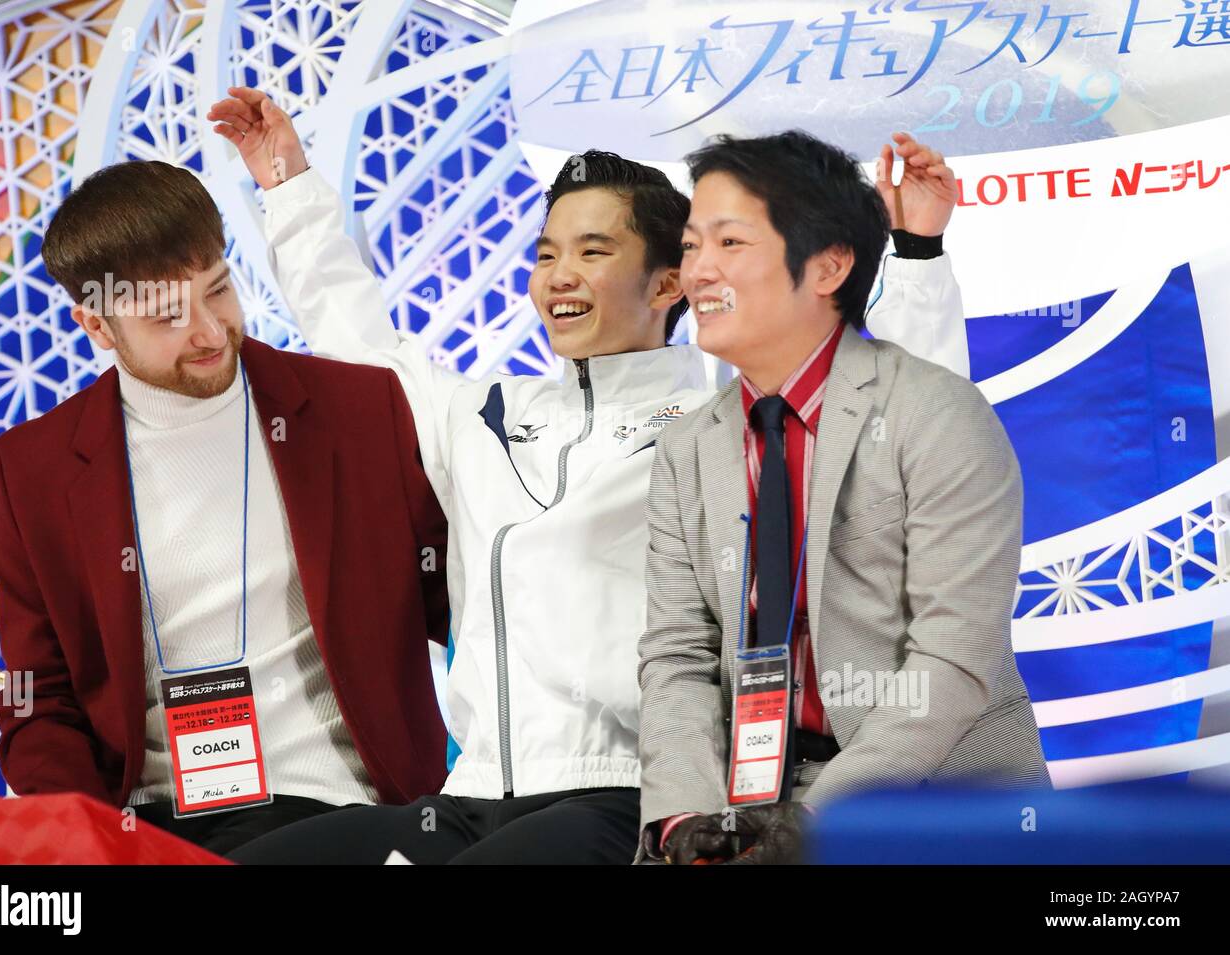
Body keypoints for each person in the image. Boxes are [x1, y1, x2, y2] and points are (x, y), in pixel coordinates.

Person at [211, 87, 969, 864]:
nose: (559, 276)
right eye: (546, 254)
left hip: (629, 794)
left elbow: (895, 436)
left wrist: (916, 258)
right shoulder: (480, 415)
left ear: (669, 283)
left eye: (593, 252)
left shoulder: (718, 418)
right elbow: (357, 342)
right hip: (472, 793)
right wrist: (290, 190)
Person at [0, 159, 449, 857]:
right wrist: (83, 838)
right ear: (97, 326)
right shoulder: (35, 468)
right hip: (148, 827)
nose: (209, 331)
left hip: (346, 809)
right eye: (168, 314)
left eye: (219, 290)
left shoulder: (354, 411)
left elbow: (467, 601)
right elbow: (37, 694)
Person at [638, 131, 1050, 866]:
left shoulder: (935, 413)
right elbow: (677, 657)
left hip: (933, 798)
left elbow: (953, 659)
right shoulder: (687, 446)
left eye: (729, 242)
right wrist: (682, 823)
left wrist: (812, 826)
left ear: (829, 264)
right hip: (747, 802)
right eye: (692, 244)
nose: (697, 270)